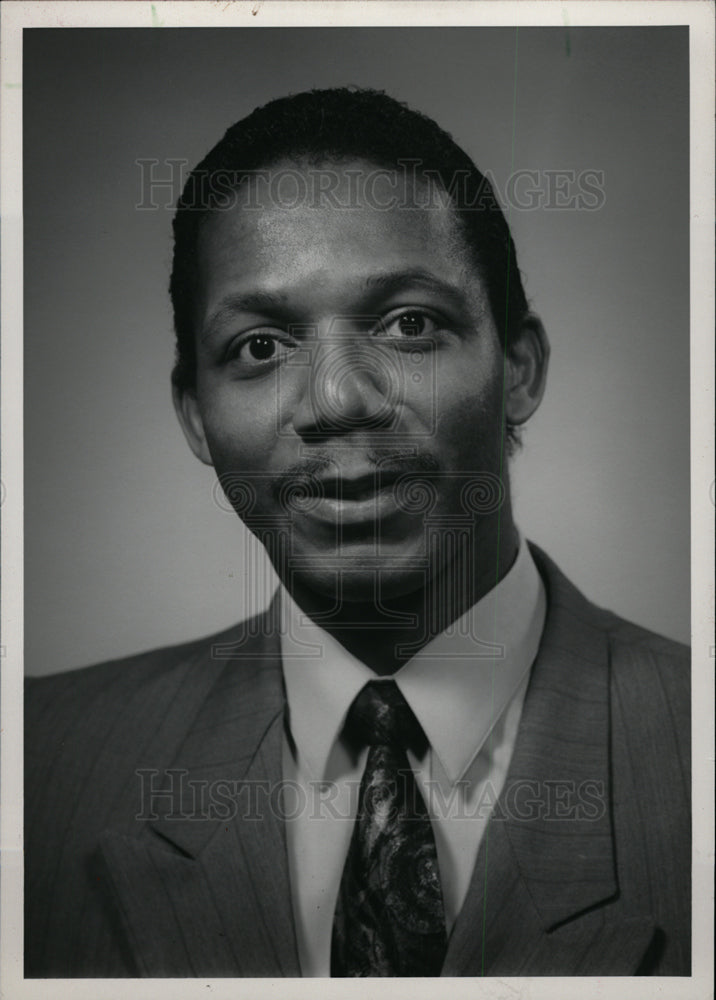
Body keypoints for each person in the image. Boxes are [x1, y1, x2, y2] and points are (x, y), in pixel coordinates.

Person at [24, 87, 690, 978]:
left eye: (409, 325)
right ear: (194, 415)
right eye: (260, 347)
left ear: (519, 369)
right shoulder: (33, 764)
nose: (337, 401)